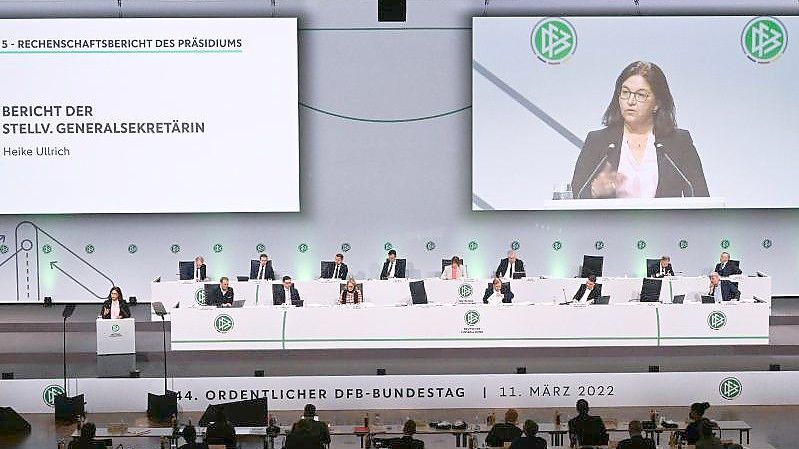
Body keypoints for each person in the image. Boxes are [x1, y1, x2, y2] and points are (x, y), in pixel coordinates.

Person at [570, 61, 708, 200]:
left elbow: (700, 197)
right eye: (625, 92)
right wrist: (594, 191)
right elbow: (576, 195)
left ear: (657, 104)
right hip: (611, 222)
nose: (630, 101)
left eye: (641, 95)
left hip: (665, 222)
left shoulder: (679, 142)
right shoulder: (598, 141)